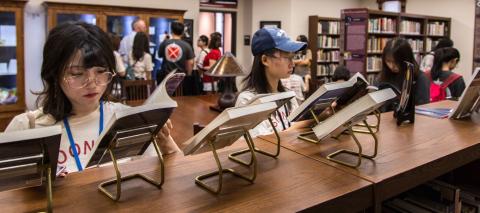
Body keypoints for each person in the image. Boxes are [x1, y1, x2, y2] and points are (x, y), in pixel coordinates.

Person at [5, 22, 179, 174]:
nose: (92, 83)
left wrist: (166, 144)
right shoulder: (27, 127)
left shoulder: (127, 119)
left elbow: (177, 179)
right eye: (77, 73)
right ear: (53, 75)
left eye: (101, 71)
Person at [235, 27, 307, 137]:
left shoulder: (288, 96)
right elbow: (264, 143)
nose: (292, 64)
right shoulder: (247, 100)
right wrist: (305, 124)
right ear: (265, 60)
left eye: (293, 57)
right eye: (287, 57)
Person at [377, 38, 430, 111]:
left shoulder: (419, 78)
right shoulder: (382, 76)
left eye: (396, 62)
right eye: (388, 61)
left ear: (406, 59)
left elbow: (423, 108)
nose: (392, 66)